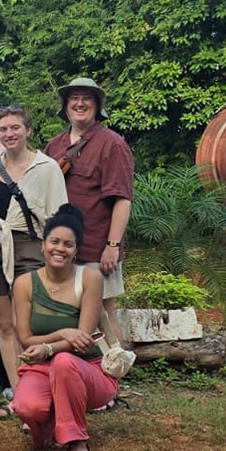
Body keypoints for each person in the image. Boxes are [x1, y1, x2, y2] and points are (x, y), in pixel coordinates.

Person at [10, 204, 118, 451]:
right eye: (54, 242)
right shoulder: (24, 283)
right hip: (42, 369)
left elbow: (81, 343)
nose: (60, 249)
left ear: (76, 251)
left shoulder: (90, 278)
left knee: (64, 362)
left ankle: (76, 440)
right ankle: (49, 426)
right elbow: (25, 339)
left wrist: (47, 347)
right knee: (26, 406)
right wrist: (61, 333)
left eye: (68, 244)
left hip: (88, 370)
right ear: (43, 245)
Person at [0, 105, 67, 402]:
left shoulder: (46, 168)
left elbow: (58, 215)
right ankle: (19, 393)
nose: (9, 134)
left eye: (15, 127)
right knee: (4, 325)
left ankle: (36, 388)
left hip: (30, 246)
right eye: (3, 129)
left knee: (24, 325)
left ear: (28, 130)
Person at [44, 78, 134, 344]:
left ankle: (114, 374)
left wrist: (112, 245)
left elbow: (122, 199)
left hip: (97, 247)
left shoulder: (112, 144)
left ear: (97, 106)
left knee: (104, 315)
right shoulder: (55, 146)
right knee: (65, 314)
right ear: (66, 105)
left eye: (87, 98)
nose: (80, 103)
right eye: (74, 98)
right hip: (61, 249)